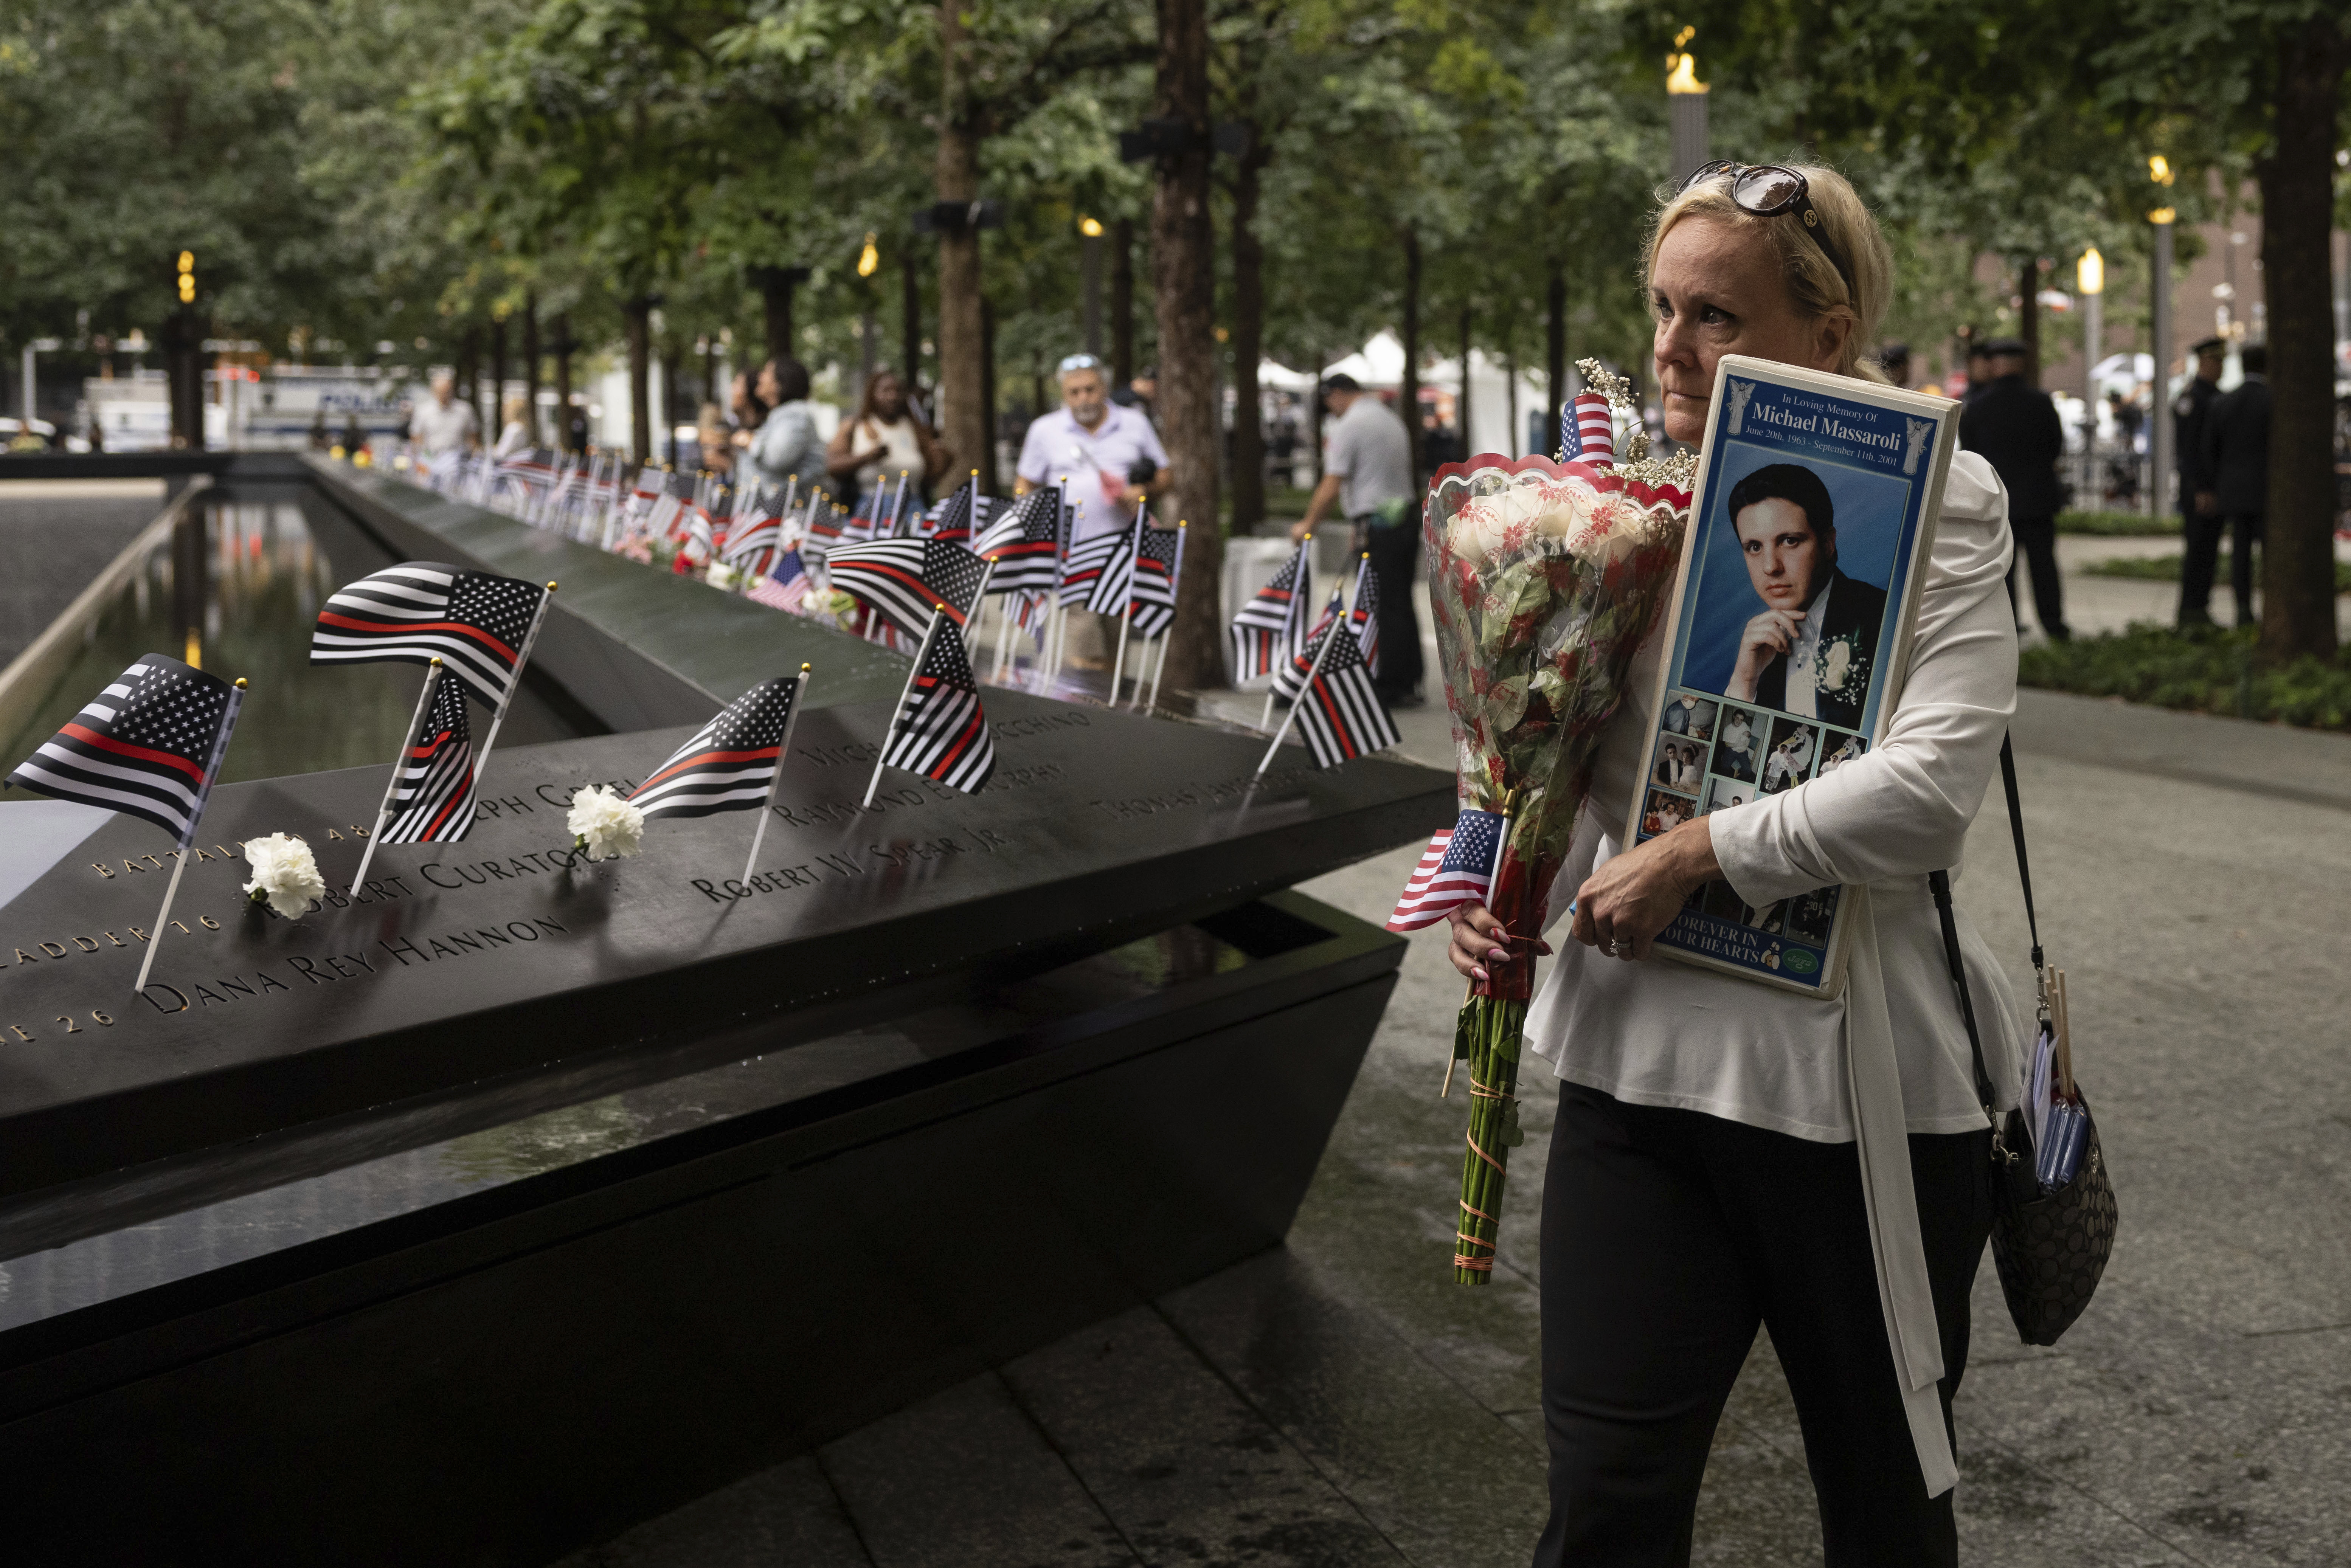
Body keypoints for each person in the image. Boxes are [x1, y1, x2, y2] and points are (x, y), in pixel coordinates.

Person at [1446, 159, 2026, 1562]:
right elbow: (1568, 764)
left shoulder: (1939, 497)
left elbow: (1932, 794)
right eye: (1660, 307)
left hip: (1856, 1103)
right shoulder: (1616, 511)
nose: (1669, 346)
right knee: (1603, 1516)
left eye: (1715, 313)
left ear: (1827, 334)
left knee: (1889, 1518)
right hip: (1635, 1088)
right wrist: (1502, 874)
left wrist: (1697, 853)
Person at [1014, 353, 1167, 669]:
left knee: (1115, 644)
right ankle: (1088, 705)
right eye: (1075, 392)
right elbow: (1024, 484)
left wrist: (1144, 490)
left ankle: (1110, 706)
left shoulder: (1134, 423)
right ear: (1064, 394)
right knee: (1084, 643)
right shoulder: (1045, 429)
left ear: (1105, 388)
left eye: (1090, 389)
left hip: (1122, 552)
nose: (1083, 398)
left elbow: (1166, 474)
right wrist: (1032, 519)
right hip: (1072, 553)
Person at [1721, 463, 1887, 727]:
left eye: (1789, 541)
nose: (1770, 567)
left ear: (1827, 544)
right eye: (1754, 547)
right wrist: (1743, 683)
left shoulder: (1884, 618)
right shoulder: (1755, 653)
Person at [1290, 373, 1423, 705]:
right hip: (1403, 516)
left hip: (1379, 522)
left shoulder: (1349, 425)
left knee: (1381, 602)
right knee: (1400, 600)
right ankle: (1409, 677)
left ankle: (1391, 684)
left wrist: (1308, 524)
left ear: (1335, 395)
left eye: (1329, 404)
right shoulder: (1388, 418)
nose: (1330, 411)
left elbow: (1332, 484)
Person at [1961, 336, 2069, 640]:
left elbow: (1970, 455)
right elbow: (2055, 445)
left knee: (2002, 569)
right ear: (2020, 364)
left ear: (1995, 364)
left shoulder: (1978, 407)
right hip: (2038, 499)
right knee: (2044, 565)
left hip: (1998, 502)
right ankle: (2053, 623)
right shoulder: (2040, 402)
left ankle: (2007, 627)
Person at [2198, 340, 2270, 628]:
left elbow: (2209, 450)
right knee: (2269, 552)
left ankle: (2242, 609)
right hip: (2267, 490)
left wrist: (2211, 486)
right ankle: (2270, 608)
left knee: (2240, 553)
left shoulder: (2222, 403)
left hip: (2233, 490)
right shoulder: (2275, 401)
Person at [828, 367, 949, 518]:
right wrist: (867, 458)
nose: (893, 397)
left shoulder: (914, 427)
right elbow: (833, 466)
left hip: (912, 506)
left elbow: (932, 470)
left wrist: (942, 458)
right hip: (870, 507)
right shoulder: (855, 426)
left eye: (898, 391)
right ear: (872, 394)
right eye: (886, 391)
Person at [2173, 337, 2228, 625]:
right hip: (2198, 488)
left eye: (2222, 361)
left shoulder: (2214, 395)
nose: (2220, 367)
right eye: (2215, 361)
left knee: (2208, 551)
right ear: (2203, 362)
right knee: (2197, 550)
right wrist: (2202, 488)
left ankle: (2200, 608)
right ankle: (2190, 611)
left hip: (2211, 487)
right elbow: (2190, 450)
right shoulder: (2192, 398)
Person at [744, 358, 829, 502]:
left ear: (780, 383)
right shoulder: (784, 414)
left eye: (767, 372)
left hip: (791, 511)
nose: (760, 377)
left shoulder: (795, 415)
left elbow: (777, 458)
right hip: (782, 508)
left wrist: (750, 442)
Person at [410, 373, 479, 459]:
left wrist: (472, 456)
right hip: (431, 459)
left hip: (459, 460)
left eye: (447, 392)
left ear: (453, 390)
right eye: (441, 392)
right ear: (434, 391)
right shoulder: (423, 411)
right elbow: (416, 438)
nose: (444, 396)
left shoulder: (465, 410)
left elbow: (474, 436)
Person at [491, 395, 533, 460]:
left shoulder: (513, 428)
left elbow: (502, 454)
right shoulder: (524, 429)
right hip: (519, 464)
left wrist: (492, 451)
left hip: (508, 466)